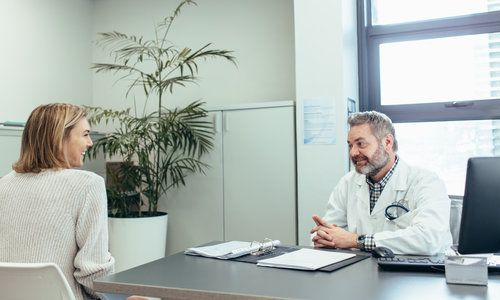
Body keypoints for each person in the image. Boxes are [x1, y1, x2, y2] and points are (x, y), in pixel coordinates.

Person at [0, 103, 114, 299]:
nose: (90, 143)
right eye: (85, 134)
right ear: (60, 137)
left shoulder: (3, 185)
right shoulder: (88, 185)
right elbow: (94, 275)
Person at [310, 111, 452, 255]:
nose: (353, 153)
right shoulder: (348, 182)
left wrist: (356, 241)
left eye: (361, 144)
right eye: (350, 145)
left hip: (420, 273)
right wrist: (323, 238)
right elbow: (329, 230)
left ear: (387, 142)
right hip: (361, 270)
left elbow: (429, 239)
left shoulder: (426, 181)